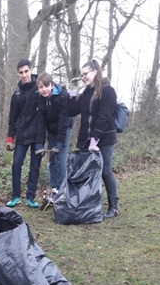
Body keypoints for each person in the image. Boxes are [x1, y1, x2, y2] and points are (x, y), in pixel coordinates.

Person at [68, 59, 119, 218]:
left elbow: (104, 117)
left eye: (86, 74)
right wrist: (73, 91)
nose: (83, 77)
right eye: (81, 75)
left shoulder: (107, 91)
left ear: (95, 72)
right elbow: (71, 111)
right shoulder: (85, 93)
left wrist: (94, 139)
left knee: (105, 171)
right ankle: (88, 204)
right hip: (85, 139)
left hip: (104, 139)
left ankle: (114, 206)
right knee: (87, 173)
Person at [5, 59, 43, 208]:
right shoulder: (17, 94)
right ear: (18, 73)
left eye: (26, 71)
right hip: (21, 134)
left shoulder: (40, 88)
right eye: (21, 72)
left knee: (35, 166)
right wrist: (10, 138)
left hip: (38, 134)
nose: (24, 75)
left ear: (31, 70)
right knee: (16, 164)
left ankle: (31, 197)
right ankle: (15, 196)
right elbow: (12, 118)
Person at [36, 72, 73, 200]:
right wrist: (39, 143)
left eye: (46, 86)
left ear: (52, 85)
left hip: (64, 129)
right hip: (51, 130)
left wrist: (59, 143)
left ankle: (62, 191)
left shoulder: (63, 96)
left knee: (60, 158)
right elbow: (40, 122)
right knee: (52, 159)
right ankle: (53, 188)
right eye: (40, 87)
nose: (44, 90)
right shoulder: (40, 98)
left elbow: (64, 120)